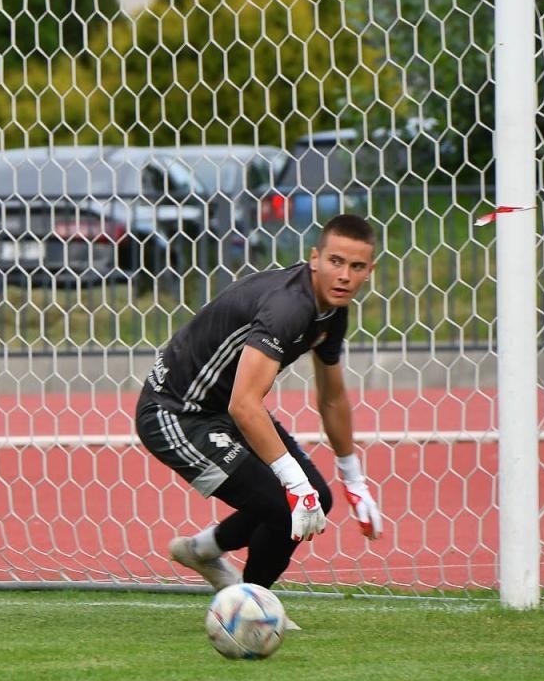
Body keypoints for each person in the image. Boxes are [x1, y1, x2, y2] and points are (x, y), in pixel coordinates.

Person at [134, 213, 385, 592]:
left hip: (223, 407)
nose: (345, 275)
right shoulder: (289, 307)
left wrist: (354, 480)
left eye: (356, 266)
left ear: (370, 270)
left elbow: (332, 398)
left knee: (317, 498)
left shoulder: (333, 310)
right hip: (176, 413)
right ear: (315, 258)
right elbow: (245, 404)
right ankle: (250, 606)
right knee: (289, 506)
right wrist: (293, 484)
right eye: (336, 262)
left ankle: (202, 551)